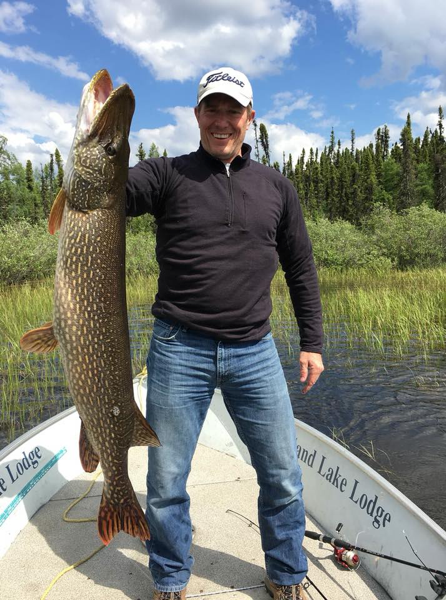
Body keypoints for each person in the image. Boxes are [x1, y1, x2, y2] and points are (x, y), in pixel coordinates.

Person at [126, 66, 324, 600]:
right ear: (196, 116)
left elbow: (301, 268)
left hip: (254, 350)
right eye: (211, 109)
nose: (222, 121)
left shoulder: (277, 188)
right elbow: (111, 197)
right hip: (177, 346)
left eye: (232, 111)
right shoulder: (165, 175)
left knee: (282, 473)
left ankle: (285, 573)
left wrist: (312, 343)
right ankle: (170, 577)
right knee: (166, 481)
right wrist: (95, 154)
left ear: (249, 118)